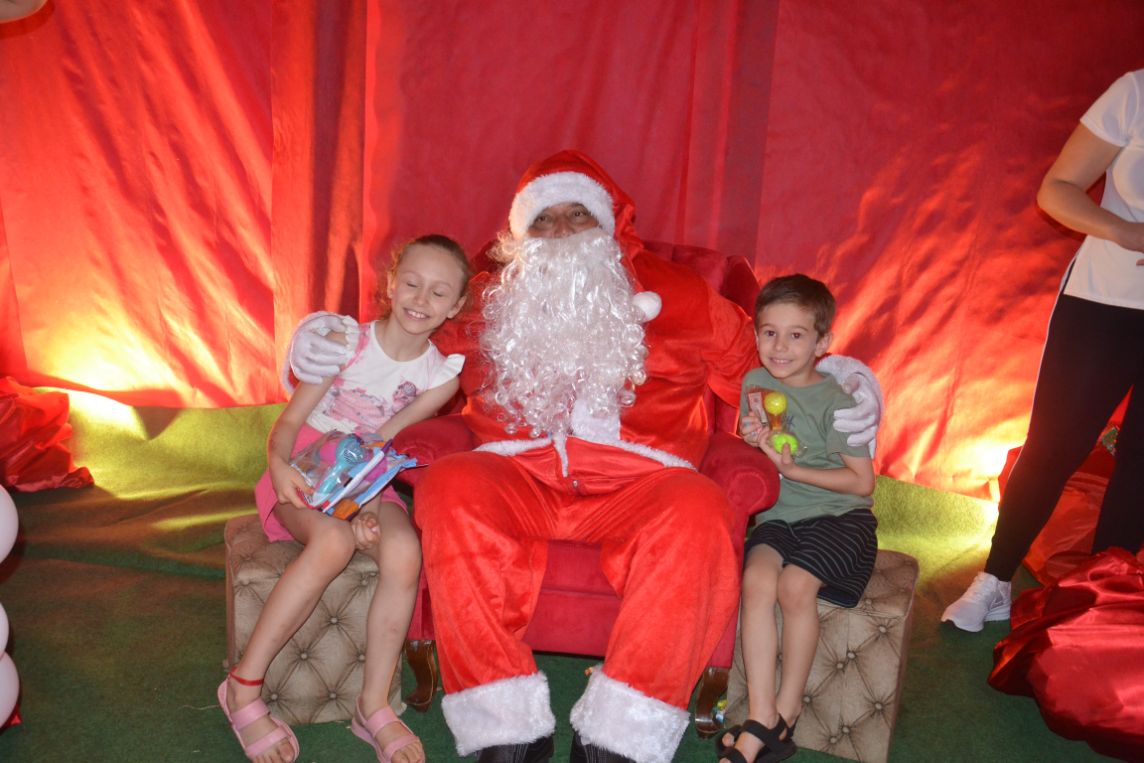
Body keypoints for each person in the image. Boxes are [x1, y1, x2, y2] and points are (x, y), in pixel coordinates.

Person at [287, 151, 882, 763]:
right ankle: (507, 727)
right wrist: (327, 338)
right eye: (544, 219)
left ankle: (619, 737)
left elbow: (763, 365)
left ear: (608, 226)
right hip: (516, 468)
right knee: (450, 485)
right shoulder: (485, 298)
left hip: (644, 480)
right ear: (521, 234)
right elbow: (402, 338)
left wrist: (840, 379)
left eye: (579, 215)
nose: (563, 231)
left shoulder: (682, 296)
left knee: (700, 510)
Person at [219, 235, 470, 763]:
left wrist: (363, 509)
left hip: (366, 481)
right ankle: (242, 686)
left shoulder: (439, 378)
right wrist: (279, 467)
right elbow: (289, 423)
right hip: (305, 469)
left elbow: (382, 446)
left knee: (404, 550)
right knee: (333, 542)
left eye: (439, 292)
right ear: (391, 283)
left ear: (456, 305)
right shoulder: (344, 344)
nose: (421, 300)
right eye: (412, 283)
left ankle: (372, 705)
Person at [942, 69, 1144, 633]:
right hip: (1103, 300)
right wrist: (1127, 232)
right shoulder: (1135, 92)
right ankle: (995, 579)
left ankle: (1096, 606)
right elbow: (1057, 190)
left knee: (1140, 464)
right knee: (1054, 446)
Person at [717, 275, 876, 763]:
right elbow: (763, 445)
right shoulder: (755, 382)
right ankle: (761, 714)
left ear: (822, 343)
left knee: (793, 586)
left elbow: (862, 484)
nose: (780, 347)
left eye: (796, 335)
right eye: (770, 333)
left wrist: (794, 469)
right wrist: (752, 439)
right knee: (756, 582)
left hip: (840, 519)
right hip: (779, 517)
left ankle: (786, 713)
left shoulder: (838, 402)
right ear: (757, 335)